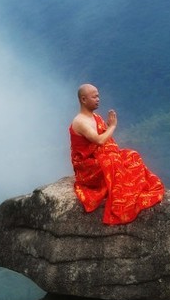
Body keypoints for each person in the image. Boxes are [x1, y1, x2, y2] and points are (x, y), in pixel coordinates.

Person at [70, 83, 165, 225]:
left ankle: (131, 186)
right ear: (83, 99)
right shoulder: (80, 121)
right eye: (94, 97)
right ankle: (121, 203)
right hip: (87, 167)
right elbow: (100, 140)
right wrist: (112, 126)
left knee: (132, 155)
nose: (98, 99)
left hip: (100, 157)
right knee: (113, 161)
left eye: (98, 96)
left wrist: (107, 127)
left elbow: (103, 142)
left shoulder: (95, 117)